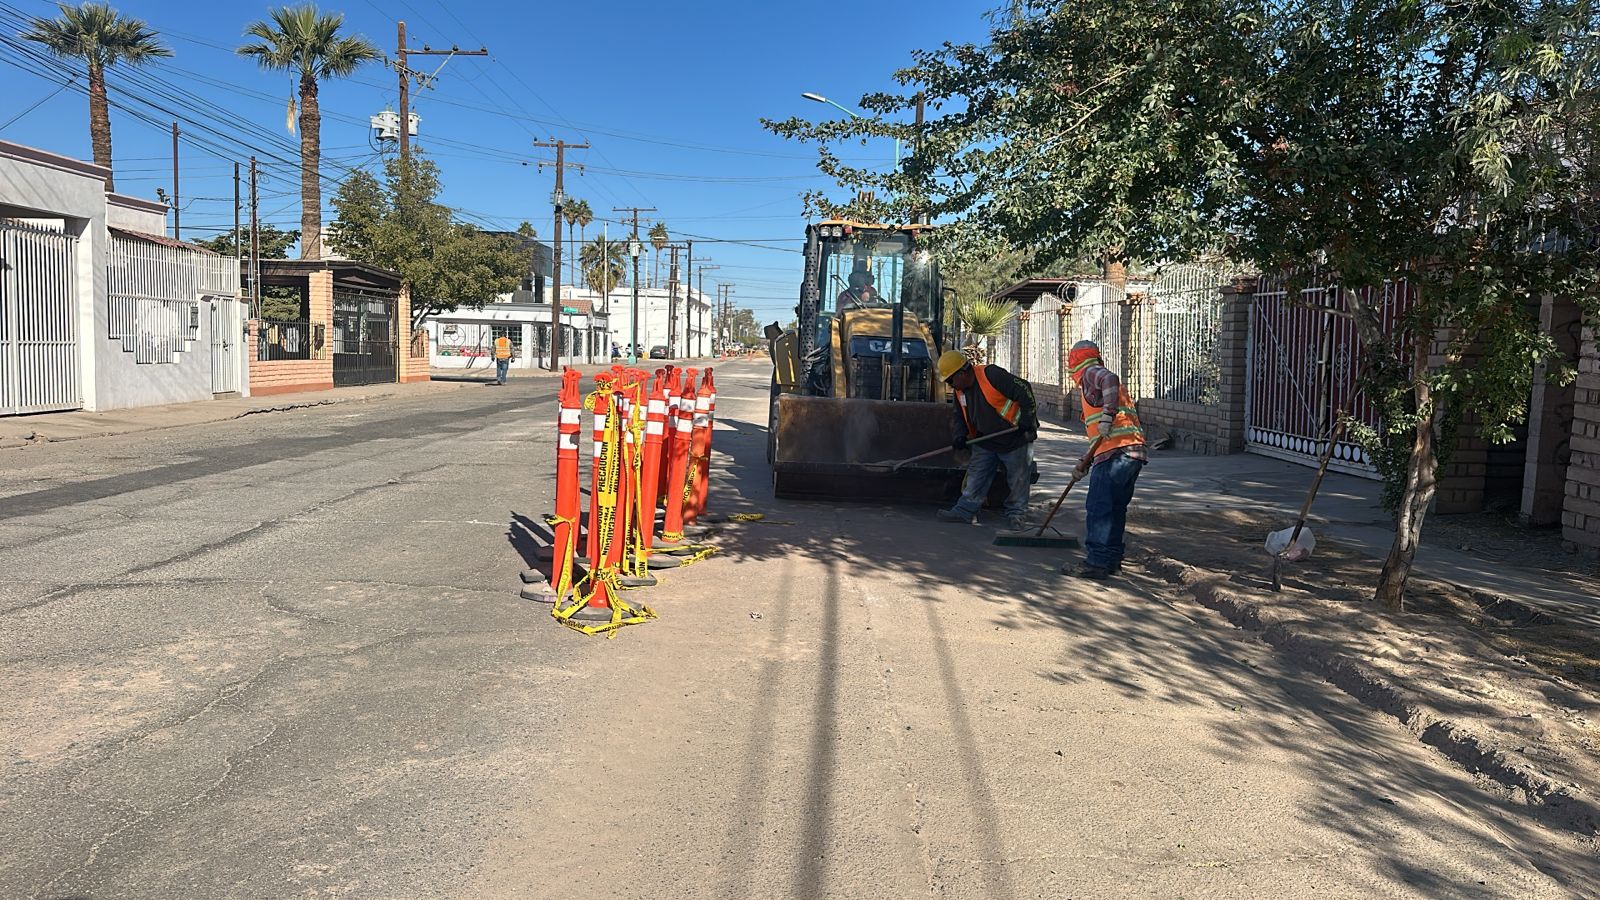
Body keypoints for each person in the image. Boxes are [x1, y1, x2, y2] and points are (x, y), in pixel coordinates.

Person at [1061, 340, 1147, 580]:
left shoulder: (1090, 372)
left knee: (1099, 508)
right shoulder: (1090, 385)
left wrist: (1108, 415)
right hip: (1131, 452)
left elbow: (1110, 378)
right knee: (1114, 509)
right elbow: (1100, 436)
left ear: (1074, 360)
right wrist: (1084, 462)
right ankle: (1111, 560)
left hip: (1117, 454)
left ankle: (1097, 562)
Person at [935, 350, 1039, 531]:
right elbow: (959, 416)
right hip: (985, 439)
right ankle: (964, 511)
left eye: (951, 380)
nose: (951, 385)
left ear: (962, 373)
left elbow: (1024, 389)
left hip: (1014, 437)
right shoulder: (961, 392)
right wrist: (959, 436)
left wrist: (1027, 419)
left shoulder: (991, 375)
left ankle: (1017, 514)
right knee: (976, 476)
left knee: (1018, 479)